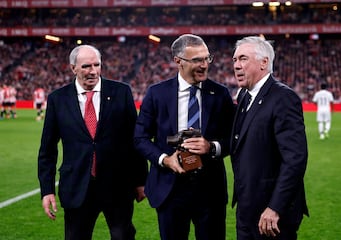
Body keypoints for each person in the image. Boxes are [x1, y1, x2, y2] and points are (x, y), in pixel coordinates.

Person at [37, 44, 148, 240]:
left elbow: (135, 140)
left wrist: (140, 181)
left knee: (123, 236)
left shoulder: (121, 92)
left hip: (117, 185)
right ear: (73, 68)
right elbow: (47, 149)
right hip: (77, 186)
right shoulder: (57, 99)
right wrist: (47, 190)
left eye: (97, 65)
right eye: (86, 66)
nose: (93, 71)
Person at [134, 34, 234, 240]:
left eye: (207, 58)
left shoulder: (220, 94)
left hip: (209, 190)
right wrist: (165, 159)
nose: (205, 65)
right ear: (178, 61)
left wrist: (212, 147)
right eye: (197, 60)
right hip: (170, 190)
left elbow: (234, 137)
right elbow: (140, 138)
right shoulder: (156, 94)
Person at [230, 36, 309, 240]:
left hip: (271, 215)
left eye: (243, 59)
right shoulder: (244, 96)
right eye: (234, 60)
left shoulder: (283, 98)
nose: (236, 65)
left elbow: (295, 159)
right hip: (247, 209)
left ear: (264, 62)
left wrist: (275, 207)